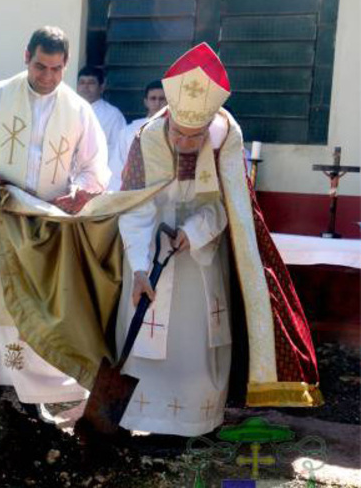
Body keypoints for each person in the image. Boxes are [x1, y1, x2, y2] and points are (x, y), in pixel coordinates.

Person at [117, 43, 322, 438]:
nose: (186, 144)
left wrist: (191, 233)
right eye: (178, 132)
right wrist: (140, 268)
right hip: (146, 249)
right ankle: (140, 419)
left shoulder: (226, 136)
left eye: (195, 137)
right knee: (143, 333)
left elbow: (231, 208)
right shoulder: (147, 138)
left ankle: (197, 421)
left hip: (201, 257)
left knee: (196, 342)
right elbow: (134, 208)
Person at [0, 26, 110, 413]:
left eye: (57, 69)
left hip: (47, 221)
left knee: (39, 304)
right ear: (26, 56)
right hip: (4, 213)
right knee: (2, 297)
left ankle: (34, 392)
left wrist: (82, 191)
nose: (47, 77)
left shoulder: (78, 109)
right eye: (41, 66)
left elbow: (95, 169)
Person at [108, 80, 166, 190]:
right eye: (153, 98)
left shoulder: (176, 131)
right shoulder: (129, 131)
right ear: (146, 102)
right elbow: (117, 165)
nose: (157, 103)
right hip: (133, 189)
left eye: (162, 99)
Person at [77, 66, 126, 163]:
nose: (86, 87)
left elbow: (119, 149)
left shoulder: (113, 115)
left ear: (101, 87)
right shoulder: (69, 110)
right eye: (82, 83)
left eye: (91, 83)